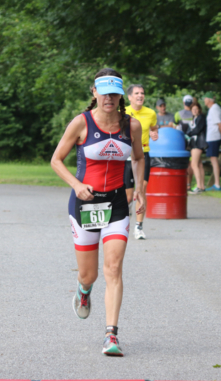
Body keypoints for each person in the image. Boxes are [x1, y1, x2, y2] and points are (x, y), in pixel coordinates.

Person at [50, 68, 145, 357]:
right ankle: (84, 289)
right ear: (94, 93)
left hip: (117, 203)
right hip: (85, 204)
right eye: (103, 93)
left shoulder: (132, 126)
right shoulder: (81, 123)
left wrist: (139, 189)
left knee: (114, 268)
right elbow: (56, 160)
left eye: (114, 93)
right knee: (89, 274)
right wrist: (76, 185)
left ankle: (111, 336)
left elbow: (139, 158)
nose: (109, 98)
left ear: (120, 95)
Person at [125, 84, 158, 240]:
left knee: (142, 190)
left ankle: (138, 227)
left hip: (143, 154)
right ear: (130, 97)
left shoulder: (151, 113)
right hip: (125, 156)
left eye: (142, 93)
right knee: (128, 195)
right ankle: (125, 218)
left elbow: (153, 127)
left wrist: (154, 133)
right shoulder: (121, 112)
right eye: (137, 93)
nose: (140, 95)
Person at [204, 95, 221, 191]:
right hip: (213, 137)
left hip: (214, 137)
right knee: (213, 160)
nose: (204, 100)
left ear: (209, 100)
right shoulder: (214, 108)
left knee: (214, 161)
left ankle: (217, 185)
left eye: (205, 98)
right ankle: (216, 183)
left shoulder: (214, 109)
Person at [174, 94, 196, 190]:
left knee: (180, 162)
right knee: (191, 162)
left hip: (181, 141)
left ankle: (179, 183)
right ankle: (188, 184)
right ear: (192, 103)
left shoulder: (178, 114)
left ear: (183, 102)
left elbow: (175, 127)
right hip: (192, 141)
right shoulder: (195, 114)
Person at [185, 102, 207, 194]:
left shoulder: (201, 118)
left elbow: (197, 130)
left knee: (194, 164)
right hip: (195, 143)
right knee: (199, 165)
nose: (195, 111)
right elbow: (189, 130)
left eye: (196, 109)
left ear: (199, 110)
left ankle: (198, 186)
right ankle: (202, 186)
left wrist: (189, 133)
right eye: (193, 109)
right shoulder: (194, 119)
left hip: (198, 144)